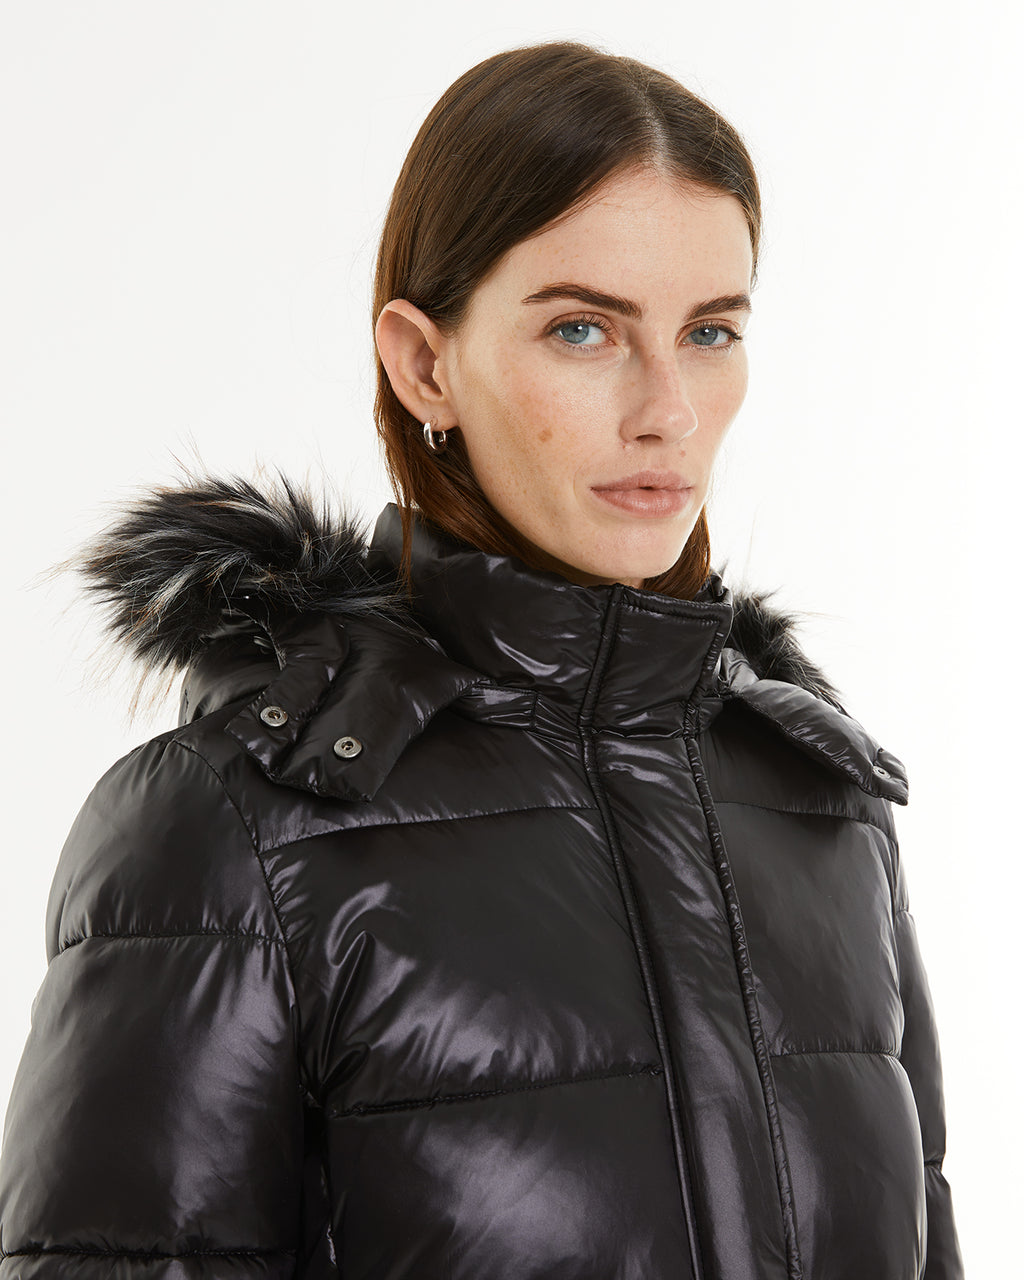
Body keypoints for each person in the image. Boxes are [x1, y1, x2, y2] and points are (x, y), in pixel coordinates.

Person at [0, 40, 963, 1280]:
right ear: (424, 364)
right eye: (582, 328)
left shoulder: (819, 804)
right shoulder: (237, 822)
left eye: (710, 330)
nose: (667, 408)